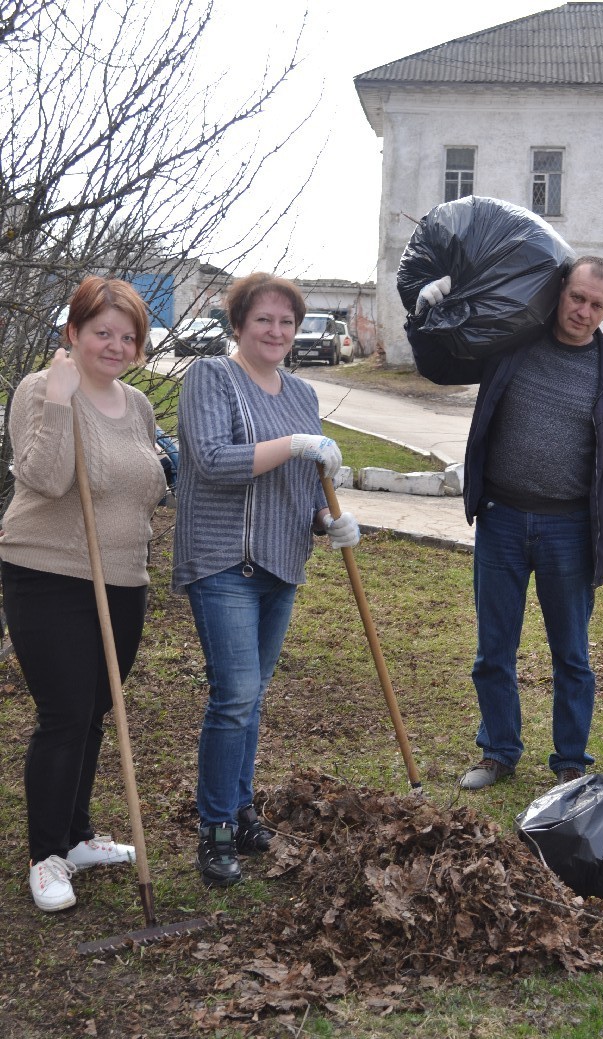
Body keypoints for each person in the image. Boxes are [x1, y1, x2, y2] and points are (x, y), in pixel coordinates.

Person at [407, 256, 603, 789]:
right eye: (576, 298)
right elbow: (443, 365)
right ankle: (498, 751)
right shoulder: (511, 345)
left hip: (571, 529)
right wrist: (426, 315)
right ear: (561, 291)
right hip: (502, 519)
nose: (582, 312)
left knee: (572, 654)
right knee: (494, 647)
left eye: (595, 305)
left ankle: (570, 763)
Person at [172, 273, 359, 887]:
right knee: (234, 695)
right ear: (239, 326)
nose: (276, 332)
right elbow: (213, 460)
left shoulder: (303, 393)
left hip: (282, 564)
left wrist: (329, 519)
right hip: (223, 560)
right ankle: (217, 827)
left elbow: (301, 481)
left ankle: (243, 810)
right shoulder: (211, 377)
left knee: (252, 698)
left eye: (287, 322)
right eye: (263, 321)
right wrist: (297, 444)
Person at [0, 277, 166, 912]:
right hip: (47, 573)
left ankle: (75, 837)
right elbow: (42, 477)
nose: (116, 345)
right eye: (102, 332)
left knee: (98, 709)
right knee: (65, 713)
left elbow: (143, 486)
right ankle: (44, 857)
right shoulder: (41, 389)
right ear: (73, 333)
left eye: (128, 336)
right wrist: (64, 401)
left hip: (123, 576)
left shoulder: (138, 406)